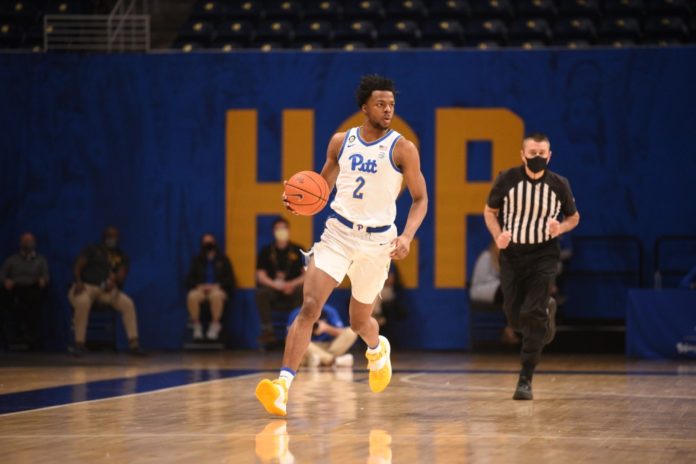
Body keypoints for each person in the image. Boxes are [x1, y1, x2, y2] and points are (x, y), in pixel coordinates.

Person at [255, 75, 428, 416]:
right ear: (364, 107)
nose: (388, 110)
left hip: (378, 242)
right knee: (309, 307)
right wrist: (300, 202)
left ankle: (378, 350)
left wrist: (406, 235)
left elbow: (421, 199)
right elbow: (321, 189)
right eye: (381, 104)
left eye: (391, 104)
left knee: (359, 320)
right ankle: (281, 386)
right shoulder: (340, 142)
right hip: (338, 234)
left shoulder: (403, 148)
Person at [483, 132, 580, 400]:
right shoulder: (507, 179)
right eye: (532, 153)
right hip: (512, 255)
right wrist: (498, 235)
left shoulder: (559, 184)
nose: (537, 158)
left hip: (544, 254)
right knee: (515, 318)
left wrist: (560, 227)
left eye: (542, 153)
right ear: (522, 154)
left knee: (533, 312)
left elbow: (574, 217)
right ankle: (545, 315)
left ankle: (525, 378)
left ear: (549, 155)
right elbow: (489, 211)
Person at [68, 226, 144, 356]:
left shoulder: (121, 256)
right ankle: (79, 344)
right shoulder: (93, 249)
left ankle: (134, 344)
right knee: (83, 302)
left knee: (127, 303)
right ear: (104, 237)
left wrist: (115, 280)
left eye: (114, 237)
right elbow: (78, 265)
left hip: (106, 291)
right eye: (109, 236)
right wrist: (78, 281)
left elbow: (122, 274)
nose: (112, 239)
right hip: (86, 287)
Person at [255, 217, 305, 347]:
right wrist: (275, 285)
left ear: (288, 230)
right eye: (278, 229)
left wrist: (291, 284)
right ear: (273, 231)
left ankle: (295, 329)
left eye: (284, 228)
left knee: (302, 291)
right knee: (261, 293)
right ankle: (267, 330)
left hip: (293, 289)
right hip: (273, 289)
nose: (281, 231)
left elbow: (306, 275)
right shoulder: (266, 251)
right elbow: (260, 275)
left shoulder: (298, 249)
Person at [0, 232, 49, 350]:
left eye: (30, 241)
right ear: (20, 243)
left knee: (36, 305)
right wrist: (5, 281)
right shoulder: (12, 260)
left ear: (35, 243)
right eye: (25, 241)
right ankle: (8, 338)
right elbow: (2, 275)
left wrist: (43, 280)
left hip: (32, 288)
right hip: (14, 289)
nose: (27, 243)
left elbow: (46, 276)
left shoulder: (40, 260)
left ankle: (32, 339)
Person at [185, 233, 236, 341]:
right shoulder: (197, 260)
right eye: (205, 242)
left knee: (216, 296)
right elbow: (189, 279)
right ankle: (196, 325)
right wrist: (199, 286)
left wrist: (218, 286)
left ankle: (215, 324)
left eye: (210, 241)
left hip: (217, 289)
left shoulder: (223, 259)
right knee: (192, 296)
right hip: (201, 289)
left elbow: (230, 280)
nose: (208, 244)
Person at [470, 242, 519, 344]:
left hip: (497, 289)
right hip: (480, 289)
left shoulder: (504, 261)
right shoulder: (486, 257)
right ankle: (510, 329)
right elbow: (482, 279)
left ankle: (510, 328)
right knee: (509, 291)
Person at [287, 304, 357, 368]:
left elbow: (341, 332)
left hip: (328, 346)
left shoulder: (329, 311)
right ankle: (333, 361)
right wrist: (306, 328)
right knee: (296, 341)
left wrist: (326, 328)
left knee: (351, 332)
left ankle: (320, 359)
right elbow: (289, 338)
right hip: (308, 347)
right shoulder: (296, 313)